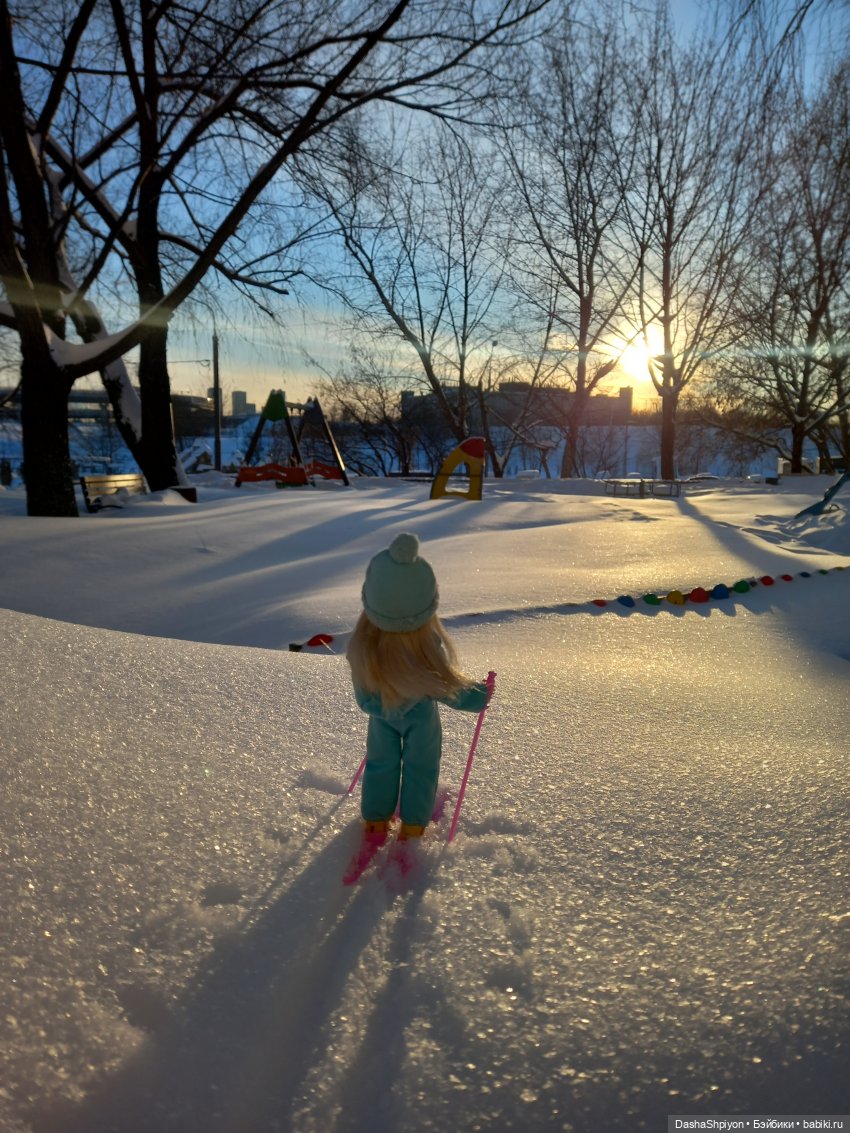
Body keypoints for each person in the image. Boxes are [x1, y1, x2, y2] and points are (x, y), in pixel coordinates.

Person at [346, 532, 490, 849]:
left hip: (380, 718)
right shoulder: (428, 649)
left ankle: (375, 819)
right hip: (422, 721)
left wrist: (380, 705)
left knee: (381, 762)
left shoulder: (363, 649)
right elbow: (447, 688)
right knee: (420, 767)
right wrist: (479, 696)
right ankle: (412, 826)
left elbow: (363, 697)